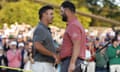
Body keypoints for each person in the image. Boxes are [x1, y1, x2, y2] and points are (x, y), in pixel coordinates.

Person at [60, 1, 87, 72]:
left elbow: (77, 44)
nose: (60, 14)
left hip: (71, 61)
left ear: (67, 11)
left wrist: (72, 63)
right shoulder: (74, 24)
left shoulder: (73, 25)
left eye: (62, 11)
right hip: (73, 60)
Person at [32, 5, 59, 72]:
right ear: (44, 15)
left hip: (46, 65)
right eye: (51, 14)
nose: (53, 16)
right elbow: (37, 45)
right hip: (42, 65)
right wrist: (53, 54)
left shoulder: (45, 29)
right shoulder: (40, 29)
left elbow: (44, 46)